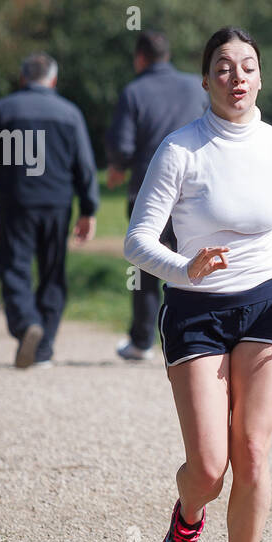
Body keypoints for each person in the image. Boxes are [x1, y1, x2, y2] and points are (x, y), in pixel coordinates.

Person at [124, 26, 272, 542]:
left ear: (260, 77)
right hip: (195, 309)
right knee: (210, 467)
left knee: (253, 450)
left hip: (267, 304)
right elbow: (138, 242)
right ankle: (188, 517)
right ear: (205, 80)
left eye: (247, 66)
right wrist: (184, 266)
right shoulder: (181, 150)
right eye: (223, 67)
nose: (236, 77)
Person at [0, 53, 99, 368]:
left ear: (23, 79)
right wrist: (88, 209)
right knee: (52, 273)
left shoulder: (4, 110)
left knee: (14, 269)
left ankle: (26, 325)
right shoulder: (70, 113)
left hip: (16, 203)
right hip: (57, 204)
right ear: (52, 81)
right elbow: (85, 167)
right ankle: (43, 349)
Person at [105, 30, 209, 362]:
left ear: (140, 58)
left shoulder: (133, 91)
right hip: (195, 193)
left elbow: (122, 146)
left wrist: (118, 166)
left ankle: (141, 341)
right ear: (167, 55)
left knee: (147, 265)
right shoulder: (197, 86)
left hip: (147, 193)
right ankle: (197, 337)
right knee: (194, 261)